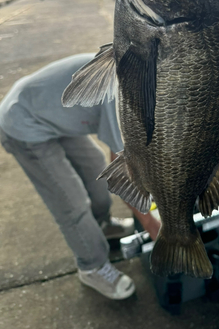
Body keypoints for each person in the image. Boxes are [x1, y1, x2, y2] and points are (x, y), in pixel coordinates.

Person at [0, 54, 160, 300]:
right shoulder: (125, 95)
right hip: (24, 121)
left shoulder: (146, 74)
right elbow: (121, 174)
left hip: (53, 109)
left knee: (94, 167)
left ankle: (103, 225)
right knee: (71, 202)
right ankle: (91, 266)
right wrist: (150, 224)